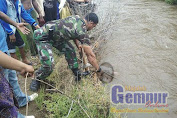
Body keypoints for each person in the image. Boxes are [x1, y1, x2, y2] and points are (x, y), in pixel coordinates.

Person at [30, 13, 102, 91]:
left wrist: (78, 45)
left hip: (55, 37)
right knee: (49, 65)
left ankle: (76, 72)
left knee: (70, 49)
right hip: (43, 37)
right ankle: (36, 78)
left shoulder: (77, 18)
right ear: (91, 23)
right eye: (93, 26)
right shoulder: (82, 32)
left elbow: (74, 34)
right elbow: (90, 56)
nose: (92, 28)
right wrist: (98, 70)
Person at [0, 12, 35, 118]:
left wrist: (15, 24)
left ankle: (21, 100)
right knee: (3, 97)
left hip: (3, 49)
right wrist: (22, 66)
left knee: (10, 81)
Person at [0, 0, 40, 65]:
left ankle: (24, 61)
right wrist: (10, 32)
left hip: (15, 26)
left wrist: (34, 23)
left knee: (21, 44)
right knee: (11, 50)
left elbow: (23, 12)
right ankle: (18, 67)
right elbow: (2, 17)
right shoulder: (3, 1)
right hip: (5, 28)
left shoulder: (17, 1)